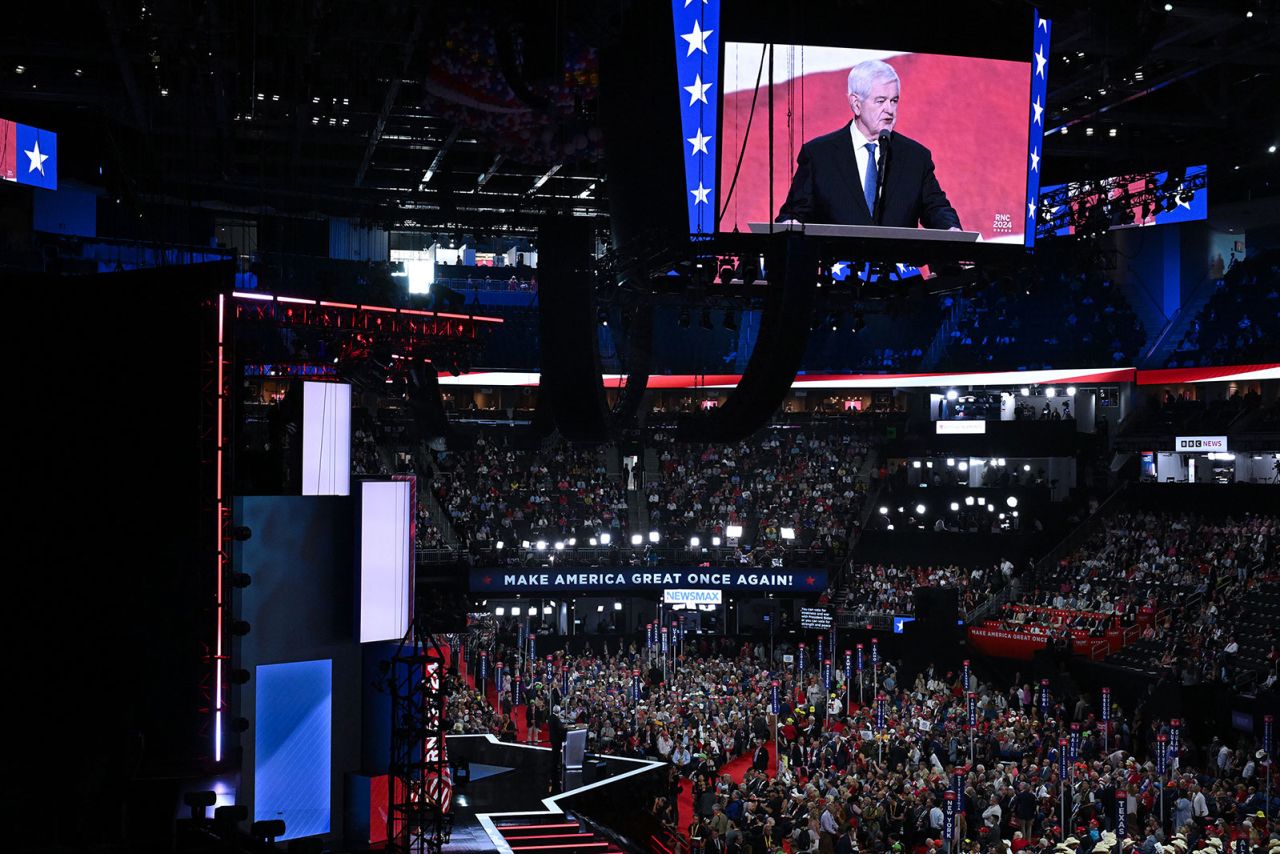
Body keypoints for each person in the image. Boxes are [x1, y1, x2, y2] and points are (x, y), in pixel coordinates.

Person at [776, 59, 961, 230]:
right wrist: (791, 223)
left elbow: (936, 208)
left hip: (896, 263)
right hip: (839, 262)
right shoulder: (818, 155)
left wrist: (951, 229)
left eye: (894, 101)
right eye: (880, 101)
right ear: (856, 104)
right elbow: (794, 214)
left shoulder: (915, 157)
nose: (889, 110)